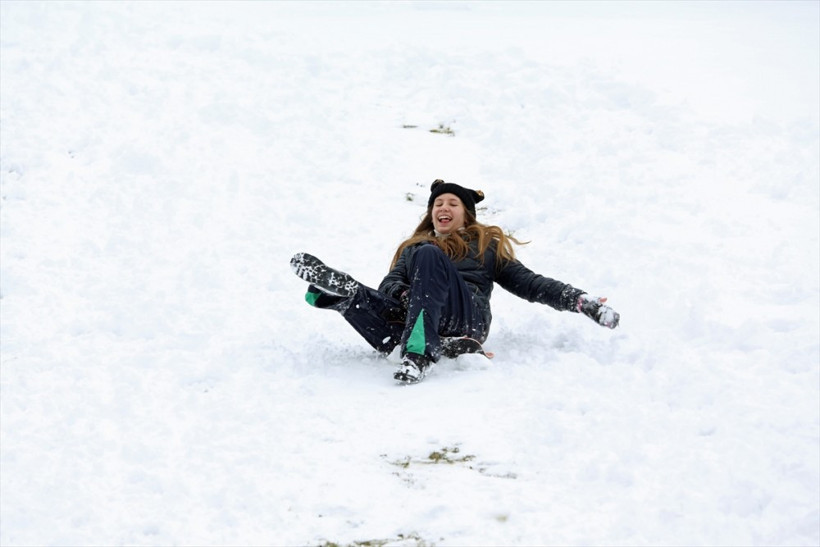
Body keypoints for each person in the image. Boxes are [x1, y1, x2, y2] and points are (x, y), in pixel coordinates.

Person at [290, 179, 619, 384]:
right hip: (414, 317)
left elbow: (531, 284)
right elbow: (390, 284)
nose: (442, 208)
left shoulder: (484, 246)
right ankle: (343, 296)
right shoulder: (415, 248)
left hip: (466, 318)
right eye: (437, 204)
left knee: (430, 257)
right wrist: (403, 292)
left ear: (466, 214)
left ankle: (420, 353)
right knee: (385, 302)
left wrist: (580, 300)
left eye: (452, 203)